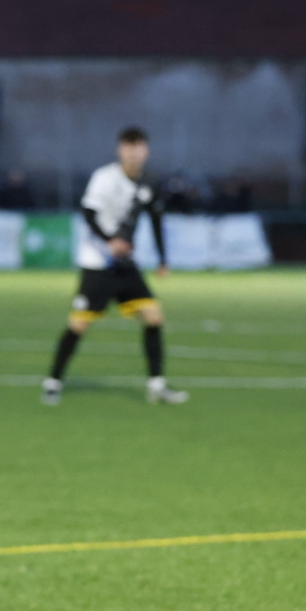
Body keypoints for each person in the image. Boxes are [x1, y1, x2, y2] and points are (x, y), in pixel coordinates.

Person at [42, 126, 186, 406]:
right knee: (78, 325)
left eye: (139, 147)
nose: (134, 153)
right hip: (98, 264)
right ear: (120, 149)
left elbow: (156, 219)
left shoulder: (149, 183)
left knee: (154, 317)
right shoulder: (104, 178)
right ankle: (53, 382)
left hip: (125, 265)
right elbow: (88, 213)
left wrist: (163, 259)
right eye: (129, 147)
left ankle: (156, 386)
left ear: (146, 150)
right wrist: (110, 241)